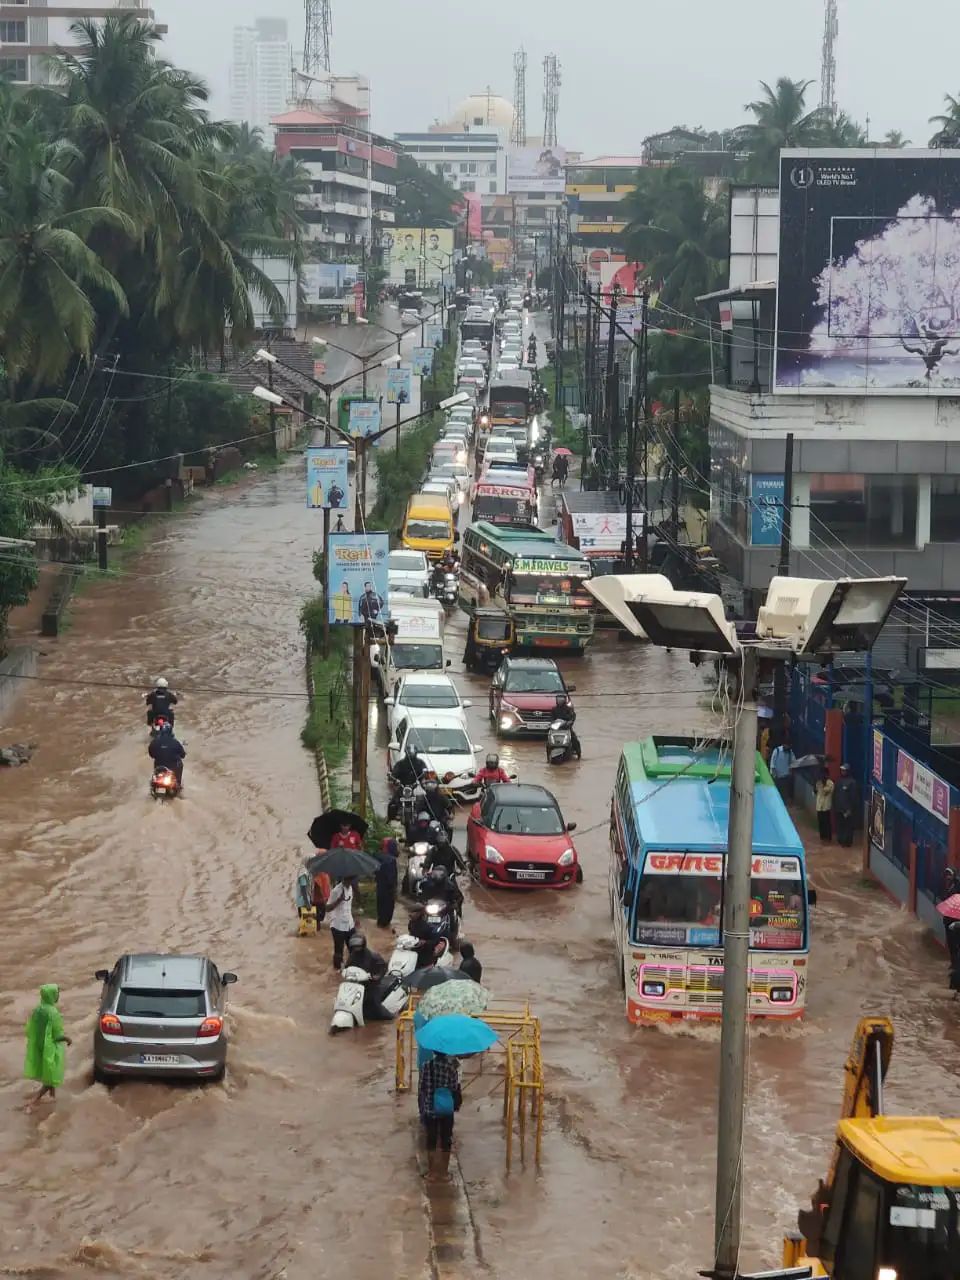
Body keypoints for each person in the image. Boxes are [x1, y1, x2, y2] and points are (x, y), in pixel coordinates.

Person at [23, 984, 71, 1110]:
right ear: (51, 995)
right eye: (56, 994)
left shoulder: (38, 1009)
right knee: (51, 1076)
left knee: (50, 1072)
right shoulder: (53, 1012)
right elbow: (57, 1035)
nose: (58, 996)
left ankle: (52, 1097)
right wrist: (67, 1039)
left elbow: (30, 1028)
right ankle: (35, 1101)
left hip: (39, 1045)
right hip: (50, 1047)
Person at [419, 1051, 462, 1181]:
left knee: (431, 1140)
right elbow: (454, 1087)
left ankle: (432, 1173)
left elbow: (422, 1087)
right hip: (446, 1109)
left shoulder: (427, 1066)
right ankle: (444, 1173)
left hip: (430, 1108)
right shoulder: (451, 1068)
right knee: (446, 1140)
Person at [326, 876, 357, 970]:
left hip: (349, 924)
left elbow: (349, 906)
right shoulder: (336, 890)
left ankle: (352, 968)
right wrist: (339, 900)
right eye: (351, 879)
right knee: (339, 951)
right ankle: (337, 971)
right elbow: (327, 908)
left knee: (354, 947)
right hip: (338, 925)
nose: (352, 881)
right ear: (345, 878)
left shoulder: (351, 888)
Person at [375, 838, 399, 928]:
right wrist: (394, 889)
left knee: (380, 904)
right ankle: (385, 924)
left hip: (380, 885)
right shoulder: (391, 860)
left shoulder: (378, 856)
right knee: (388, 906)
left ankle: (380, 922)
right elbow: (391, 877)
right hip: (388, 888)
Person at [834, 764, 859, 848]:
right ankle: (841, 840)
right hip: (839, 808)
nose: (842, 772)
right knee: (840, 825)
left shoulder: (852, 782)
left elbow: (854, 797)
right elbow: (835, 794)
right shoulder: (839, 781)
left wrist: (850, 809)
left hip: (847, 809)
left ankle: (847, 842)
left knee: (848, 826)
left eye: (844, 770)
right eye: (842, 770)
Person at [551, 694, 581, 759]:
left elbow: (573, 717)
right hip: (556, 729)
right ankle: (548, 756)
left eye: (561, 699)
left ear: (564, 700)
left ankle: (578, 754)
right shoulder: (554, 709)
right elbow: (551, 718)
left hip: (567, 728)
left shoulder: (568, 709)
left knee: (574, 739)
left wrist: (570, 722)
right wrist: (551, 723)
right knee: (548, 741)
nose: (559, 701)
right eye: (558, 699)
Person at [770, 739, 796, 803]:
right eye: (787, 746)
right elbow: (772, 764)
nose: (788, 747)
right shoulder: (777, 751)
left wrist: (791, 770)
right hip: (777, 777)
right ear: (784, 745)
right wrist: (774, 775)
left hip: (786, 777)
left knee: (784, 794)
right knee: (776, 794)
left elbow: (794, 762)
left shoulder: (790, 752)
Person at [815, 768, 835, 843]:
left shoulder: (830, 783)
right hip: (819, 806)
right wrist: (815, 790)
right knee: (821, 822)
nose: (823, 776)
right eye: (821, 774)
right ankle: (822, 837)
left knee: (827, 822)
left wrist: (822, 786)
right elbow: (816, 793)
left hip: (826, 806)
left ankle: (828, 837)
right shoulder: (818, 783)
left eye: (824, 774)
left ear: (827, 775)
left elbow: (827, 791)